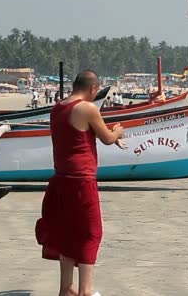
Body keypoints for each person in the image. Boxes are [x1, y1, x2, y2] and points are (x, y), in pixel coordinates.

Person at [35, 70, 127, 296]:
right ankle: (86, 290)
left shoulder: (57, 107)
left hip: (61, 179)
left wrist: (106, 135)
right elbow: (106, 137)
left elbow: (76, 134)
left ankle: (66, 288)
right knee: (91, 233)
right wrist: (117, 132)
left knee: (68, 232)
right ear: (93, 89)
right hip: (81, 181)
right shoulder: (87, 108)